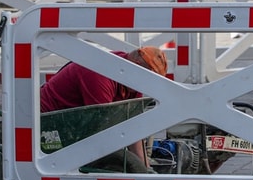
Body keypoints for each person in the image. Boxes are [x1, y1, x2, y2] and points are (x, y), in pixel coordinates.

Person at [40, 46, 168, 167]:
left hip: (74, 124)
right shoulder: (100, 72)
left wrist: (144, 168)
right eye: (148, 79)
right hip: (47, 123)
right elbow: (103, 130)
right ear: (136, 66)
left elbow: (132, 125)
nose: (148, 86)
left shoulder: (132, 78)